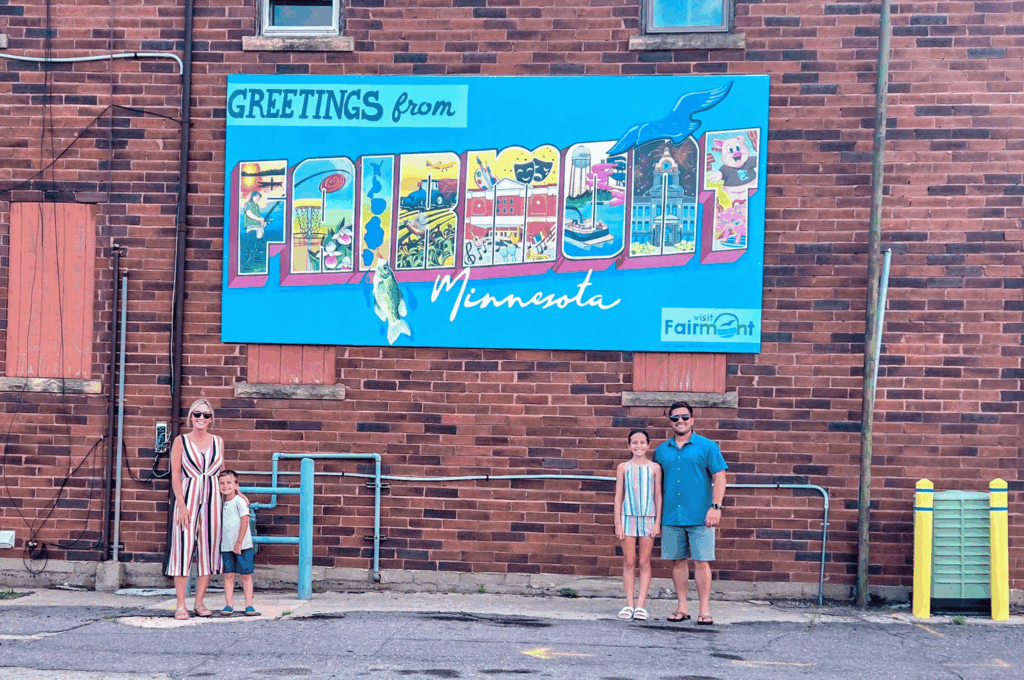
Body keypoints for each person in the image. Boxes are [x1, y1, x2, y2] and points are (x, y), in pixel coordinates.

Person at [653, 400, 728, 626]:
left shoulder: (707, 447)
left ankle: (704, 610)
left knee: (702, 562)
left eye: (685, 417)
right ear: (670, 422)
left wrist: (716, 506)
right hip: (671, 515)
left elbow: (720, 476)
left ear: (692, 420)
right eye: (675, 418)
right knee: (677, 561)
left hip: (700, 515)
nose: (680, 421)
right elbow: (656, 485)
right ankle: (682, 607)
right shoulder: (661, 451)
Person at [166, 398, 225, 620]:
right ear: (191, 417)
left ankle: (199, 602)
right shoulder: (180, 441)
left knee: (208, 551)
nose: (201, 418)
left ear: (211, 419)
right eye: (197, 414)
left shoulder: (218, 441)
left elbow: (223, 474)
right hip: (188, 499)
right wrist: (181, 504)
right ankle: (181, 604)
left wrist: (234, 495)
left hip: (213, 500)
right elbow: (175, 475)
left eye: (206, 415)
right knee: (182, 549)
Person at [614, 428, 662, 621]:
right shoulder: (623, 467)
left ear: (648, 445)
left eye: (642, 442)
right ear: (629, 445)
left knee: (644, 561)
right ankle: (629, 604)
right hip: (628, 517)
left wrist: (657, 522)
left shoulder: (654, 468)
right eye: (635, 442)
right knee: (629, 561)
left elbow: (658, 496)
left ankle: (641, 605)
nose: (639, 446)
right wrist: (618, 522)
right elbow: (619, 496)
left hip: (648, 518)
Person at [218, 469, 259, 617]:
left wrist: (239, 542)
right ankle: (229, 604)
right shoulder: (219, 503)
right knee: (228, 575)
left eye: (229, 482)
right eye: (222, 483)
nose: (225, 486)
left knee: (245, 575)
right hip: (226, 546)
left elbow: (245, 521)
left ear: (236, 485)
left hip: (242, 546)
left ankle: (249, 605)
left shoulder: (239, 501)